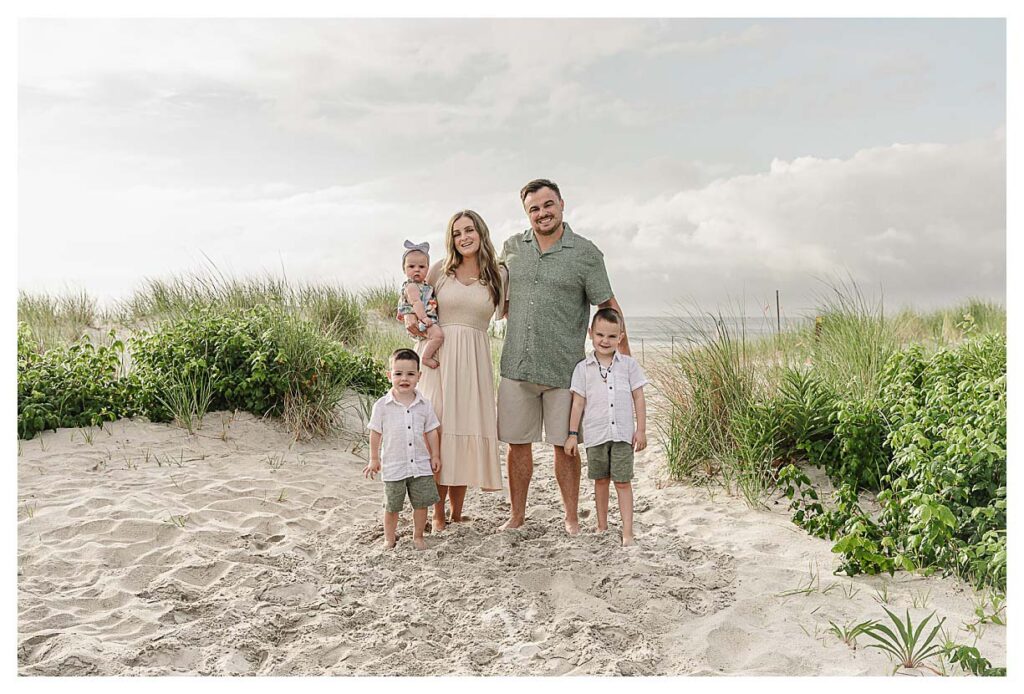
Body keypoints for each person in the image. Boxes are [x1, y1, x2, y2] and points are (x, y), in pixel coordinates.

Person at [498, 178, 631, 535]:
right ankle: (517, 515)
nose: (542, 213)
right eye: (534, 209)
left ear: (561, 204)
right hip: (516, 365)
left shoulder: (586, 253)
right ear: (527, 213)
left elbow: (608, 305)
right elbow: (486, 289)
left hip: (565, 369)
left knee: (566, 447)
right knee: (517, 445)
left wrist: (626, 361)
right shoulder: (511, 247)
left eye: (547, 205)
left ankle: (570, 517)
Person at [411, 210, 506, 531]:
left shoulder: (497, 274)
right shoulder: (440, 270)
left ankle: (456, 511)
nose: (463, 237)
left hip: (476, 361)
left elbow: (510, 312)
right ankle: (436, 515)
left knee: (463, 429)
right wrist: (416, 328)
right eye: (456, 232)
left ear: (481, 232)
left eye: (469, 230)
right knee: (439, 431)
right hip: (439, 359)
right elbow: (414, 306)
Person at [564, 308, 648, 546]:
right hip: (596, 434)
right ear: (591, 333)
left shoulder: (629, 365)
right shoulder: (583, 368)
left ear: (620, 337)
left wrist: (640, 430)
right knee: (600, 481)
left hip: (622, 435)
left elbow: (639, 397)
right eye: (600, 334)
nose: (605, 340)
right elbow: (578, 403)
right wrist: (572, 434)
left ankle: (628, 532)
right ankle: (602, 526)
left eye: (612, 336)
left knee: (622, 482)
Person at [363, 348, 442, 550]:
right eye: (398, 374)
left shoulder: (424, 404)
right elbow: (375, 433)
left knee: (421, 503)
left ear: (419, 376)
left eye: (410, 374)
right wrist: (373, 458)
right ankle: (389, 538)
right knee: (392, 506)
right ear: (390, 375)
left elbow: (432, 431)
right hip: (394, 466)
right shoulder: (382, 406)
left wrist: (435, 455)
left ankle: (418, 536)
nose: (403, 378)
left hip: (420, 465)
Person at [397, 241, 444, 369]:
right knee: (438, 336)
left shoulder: (424, 286)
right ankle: (426, 357)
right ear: (404, 269)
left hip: (426, 318)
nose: (417, 269)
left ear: (428, 269)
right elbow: (416, 303)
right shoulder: (411, 286)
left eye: (422, 267)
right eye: (411, 266)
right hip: (421, 320)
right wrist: (424, 318)